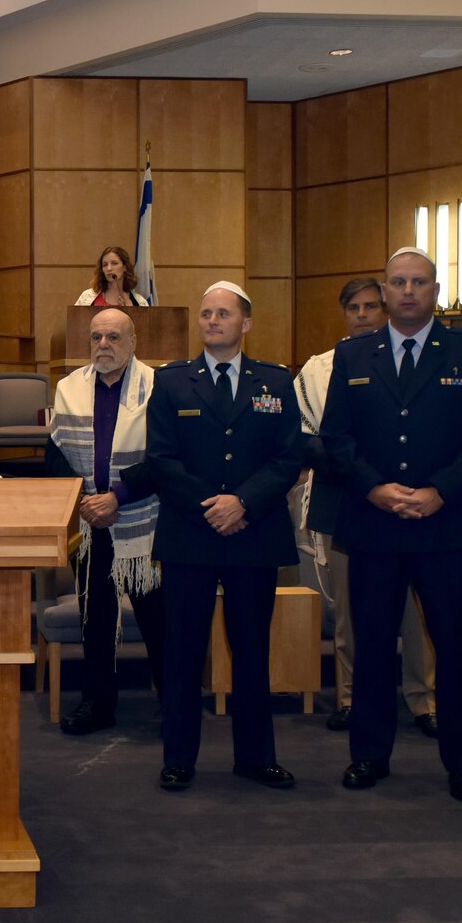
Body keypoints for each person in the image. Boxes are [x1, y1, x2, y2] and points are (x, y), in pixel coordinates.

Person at [320, 248, 462, 802]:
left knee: (454, 645)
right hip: (374, 523)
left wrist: (438, 491)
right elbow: (337, 439)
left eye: (418, 283)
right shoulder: (353, 355)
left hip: (446, 524)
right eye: (397, 283)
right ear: (384, 290)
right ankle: (369, 755)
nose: (407, 292)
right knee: (373, 645)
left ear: (435, 290)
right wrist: (373, 487)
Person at [144, 281, 303, 791]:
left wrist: (244, 503)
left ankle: (256, 757)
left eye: (223, 314)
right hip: (191, 533)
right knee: (184, 650)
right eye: (206, 313)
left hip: (253, 533)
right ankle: (179, 758)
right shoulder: (170, 382)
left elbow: (287, 458)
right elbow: (162, 460)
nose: (212, 321)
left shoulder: (276, 382)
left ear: (246, 324)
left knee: (252, 649)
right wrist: (210, 507)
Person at [295, 276, 436, 738]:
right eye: (353, 307)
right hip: (344, 498)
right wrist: (358, 473)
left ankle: (423, 699)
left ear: (387, 309)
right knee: (350, 611)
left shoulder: (409, 359)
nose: (362, 315)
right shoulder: (318, 369)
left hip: (408, 502)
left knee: (415, 612)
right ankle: (352, 696)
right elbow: (305, 439)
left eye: (371, 306)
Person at [42, 307, 165, 735]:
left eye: (114, 337)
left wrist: (119, 496)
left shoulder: (158, 387)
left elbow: (167, 459)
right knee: (94, 617)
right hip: (91, 521)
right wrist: (84, 500)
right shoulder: (69, 388)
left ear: (133, 342)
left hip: (143, 520)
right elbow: (54, 454)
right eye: (96, 337)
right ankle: (97, 703)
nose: (103, 346)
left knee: (158, 617)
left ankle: (172, 702)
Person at [73, 246, 151, 308]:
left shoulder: (139, 302)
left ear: (125, 267)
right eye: (105, 265)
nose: (109, 268)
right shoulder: (87, 297)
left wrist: (130, 311)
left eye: (114, 263)